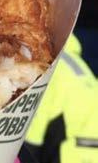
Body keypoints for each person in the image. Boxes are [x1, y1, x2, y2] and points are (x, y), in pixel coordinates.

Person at [23, 34, 98, 163]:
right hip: (87, 143)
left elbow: (30, 140)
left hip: (75, 149)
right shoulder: (70, 61)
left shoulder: (46, 65)